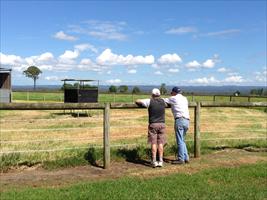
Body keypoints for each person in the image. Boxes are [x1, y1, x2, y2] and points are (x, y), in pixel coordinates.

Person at [135, 88, 167, 168]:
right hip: (162, 124)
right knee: (160, 143)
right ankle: (160, 160)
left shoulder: (149, 101)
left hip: (153, 124)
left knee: (153, 143)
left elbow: (137, 101)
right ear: (159, 94)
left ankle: (153, 161)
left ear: (152, 95)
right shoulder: (163, 101)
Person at [164, 87, 190, 164]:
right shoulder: (185, 98)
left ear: (174, 92)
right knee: (182, 140)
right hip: (187, 120)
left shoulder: (173, 98)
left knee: (179, 140)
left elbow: (163, 100)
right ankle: (186, 157)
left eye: (172, 93)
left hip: (180, 120)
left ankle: (181, 159)